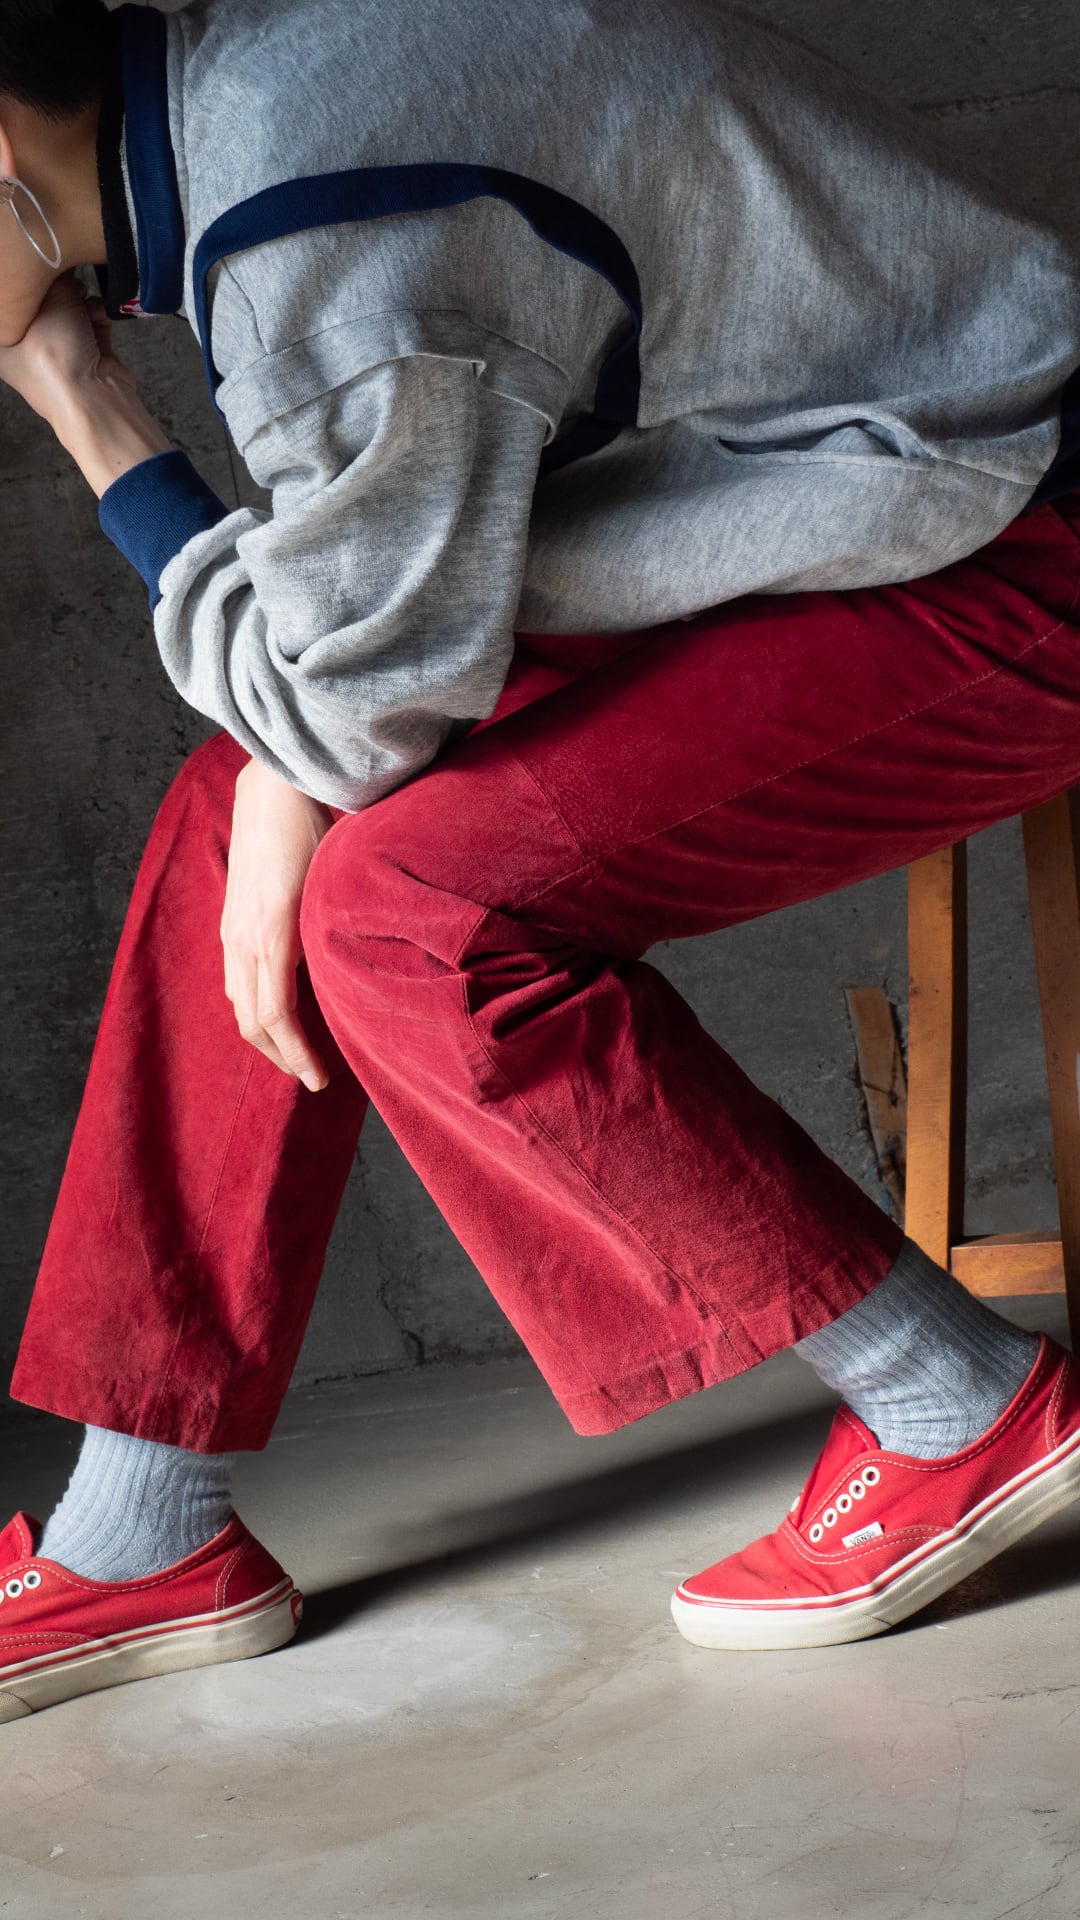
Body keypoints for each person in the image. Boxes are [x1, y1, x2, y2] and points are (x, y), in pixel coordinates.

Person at [2, 0, 1080, 1719]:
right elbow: (347, 654)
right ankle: (145, 1524)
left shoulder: (310, 241)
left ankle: (962, 1405)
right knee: (237, 811)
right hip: (839, 505)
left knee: (404, 912)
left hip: (1012, 545)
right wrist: (292, 753)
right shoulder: (253, 93)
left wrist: (83, 400)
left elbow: (351, 694)